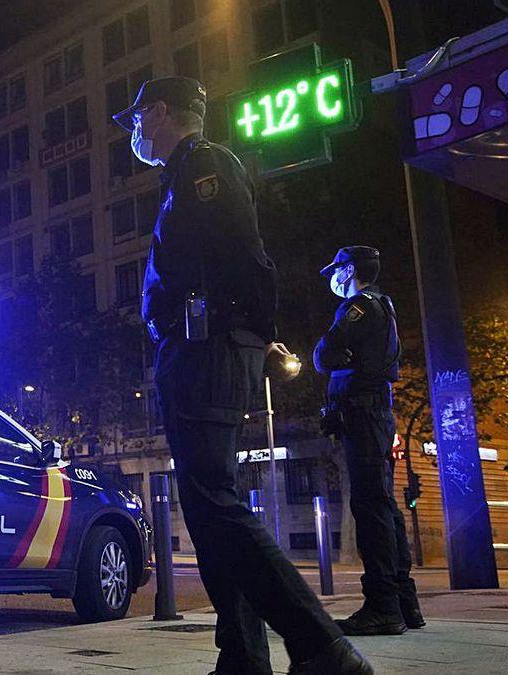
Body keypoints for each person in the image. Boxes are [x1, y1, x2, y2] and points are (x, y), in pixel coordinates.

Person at [114, 77, 371, 675]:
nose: (134, 132)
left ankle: (322, 648)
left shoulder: (204, 168)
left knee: (214, 502)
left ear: (157, 112)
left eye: (136, 119)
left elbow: (247, 259)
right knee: (207, 510)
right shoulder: (183, 173)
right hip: (201, 348)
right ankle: (243, 655)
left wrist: (242, 331)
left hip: (207, 351)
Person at [314, 246, 424, 635]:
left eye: (336, 270)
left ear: (349, 271)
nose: (333, 278)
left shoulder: (359, 306)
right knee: (384, 505)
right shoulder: (383, 306)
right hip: (374, 413)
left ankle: (383, 608)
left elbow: (324, 354)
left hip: (364, 414)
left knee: (371, 507)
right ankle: (403, 601)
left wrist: (336, 358)